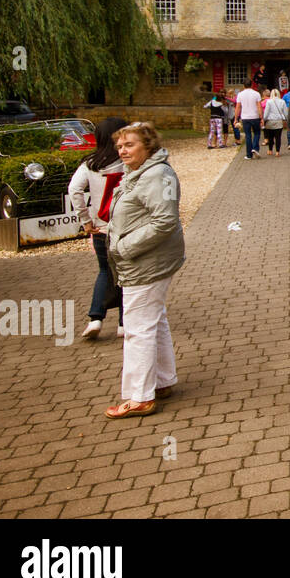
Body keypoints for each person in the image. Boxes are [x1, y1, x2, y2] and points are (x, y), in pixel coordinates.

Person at [102, 122, 184, 418]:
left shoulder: (156, 174)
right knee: (154, 319)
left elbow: (165, 221)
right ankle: (161, 380)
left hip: (146, 261)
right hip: (147, 259)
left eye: (130, 145)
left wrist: (124, 247)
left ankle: (140, 396)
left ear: (147, 146)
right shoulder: (142, 173)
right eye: (120, 146)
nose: (123, 150)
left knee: (138, 328)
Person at [70, 117, 128, 342]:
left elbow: (74, 189)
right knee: (126, 275)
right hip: (125, 227)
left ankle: (95, 318)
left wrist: (85, 220)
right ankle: (124, 323)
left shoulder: (90, 163)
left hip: (100, 227)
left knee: (105, 271)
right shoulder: (128, 160)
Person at [235, 83, 263, 159]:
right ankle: (255, 148)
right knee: (257, 133)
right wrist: (261, 117)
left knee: (248, 135)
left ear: (244, 86)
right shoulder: (256, 94)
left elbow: (238, 107)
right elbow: (259, 106)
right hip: (255, 116)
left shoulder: (240, 94)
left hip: (245, 117)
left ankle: (249, 154)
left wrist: (236, 119)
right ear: (251, 85)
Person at [262, 88, 288, 156]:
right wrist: (287, 119)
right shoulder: (282, 101)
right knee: (278, 137)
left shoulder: (269, 102)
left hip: (270, 121)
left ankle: (270, 150)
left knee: (270, 137)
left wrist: (263, 120)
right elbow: (286, 113)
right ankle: (277, 152)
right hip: (279, 121)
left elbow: (266, 112)